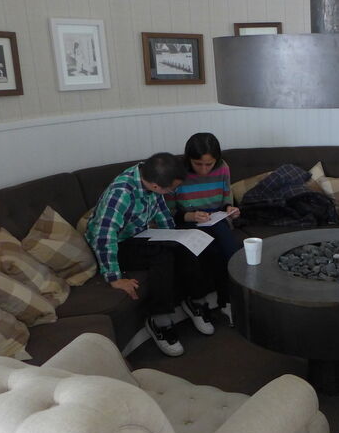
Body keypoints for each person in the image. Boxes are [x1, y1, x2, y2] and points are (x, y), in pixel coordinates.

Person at [85, 152, 215, 357]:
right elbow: (104, 236)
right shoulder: (121, 194)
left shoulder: (149, 177)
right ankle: (159, 321)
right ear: (156, 186)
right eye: (172, 188)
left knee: (186, 245)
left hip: (138, 233)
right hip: (117, 243)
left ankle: (196, 301)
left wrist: (177, 238)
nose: (174, 191)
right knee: (161, 256)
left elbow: (161, 211)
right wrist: (114, 278)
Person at [166, 132, 241, 322]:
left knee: (232, 252)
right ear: (188, 159)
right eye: (198, 164)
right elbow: (168, 212)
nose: (204, 169)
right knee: (211, 251)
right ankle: (201, 304)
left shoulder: (223, 168)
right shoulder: (176, 174)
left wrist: (230, 209)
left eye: (209, 164)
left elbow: (225, 200)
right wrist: (188, 215)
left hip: (215, 217)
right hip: (188, 221)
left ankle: (228, 301)